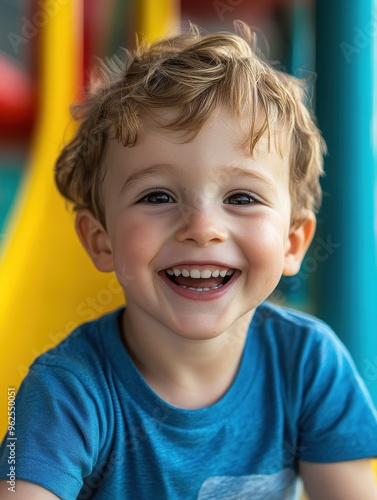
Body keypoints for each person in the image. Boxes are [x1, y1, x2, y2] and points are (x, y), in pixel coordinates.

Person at [0, 21, 376, 500]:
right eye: (157, 196)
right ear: (101, 241)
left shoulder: (310, 364)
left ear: (293, 242)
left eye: (241, 197)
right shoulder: (64, 392)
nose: (202, 227)